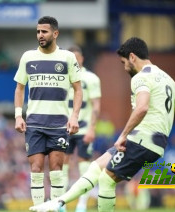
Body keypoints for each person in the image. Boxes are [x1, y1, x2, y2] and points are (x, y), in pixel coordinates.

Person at [29, 37, 175, 212]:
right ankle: (59, 202)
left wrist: (123, 135)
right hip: (150, 141)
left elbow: (142, 107)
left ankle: (60, 203)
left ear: (132, 57)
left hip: (143, 139)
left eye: (123, 62)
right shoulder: (166, 78)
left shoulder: (141, 77)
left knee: (106, 179)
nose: (124, 67)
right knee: (96, 166)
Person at [14, 16, 83, 207]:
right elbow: (19, 88)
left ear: (55, 33)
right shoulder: (28, 57)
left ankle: (55, 209)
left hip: (58, 124)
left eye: (44, 31)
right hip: (34, 123)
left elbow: (78, 89)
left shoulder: (67, 58)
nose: (40, 35)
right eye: (38, 31)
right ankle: (38, 209)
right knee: (36, 169)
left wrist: (74, 116)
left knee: (56, 170)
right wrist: (18, 115)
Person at [62, 45, 101, 212]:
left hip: (84, 129)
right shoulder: (62, 78)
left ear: (82, 59)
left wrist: (92, 129)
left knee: (84, 167)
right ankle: (60, 204)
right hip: (64, 129)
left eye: (77, 58)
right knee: (60, 165)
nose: (75, 62)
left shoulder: (91, 78)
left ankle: (82, 205)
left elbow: (96, 106)